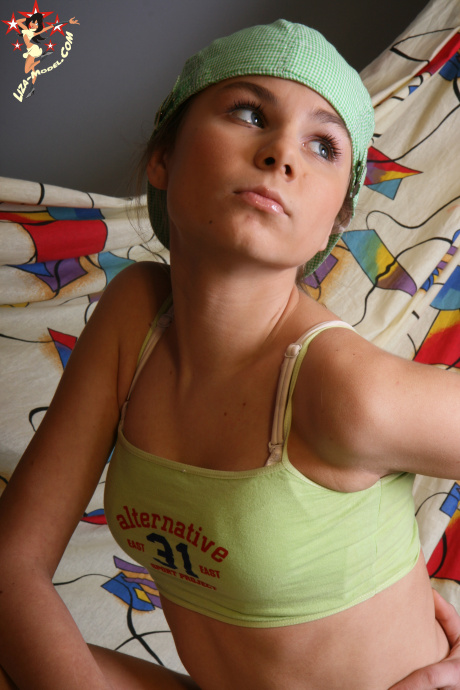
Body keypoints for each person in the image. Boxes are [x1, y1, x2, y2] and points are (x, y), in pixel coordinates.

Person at [0, 19, 459, 689]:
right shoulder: (136, 316)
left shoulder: (344, 389)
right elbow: (14, 564)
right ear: (163, 156)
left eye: (323, 146)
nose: (282, 154)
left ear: (335, 221)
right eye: (249, 113)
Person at [17, 13, 79, 86]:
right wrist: (29, 19)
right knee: (32, 69)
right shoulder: (26, 29)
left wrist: (68, 22)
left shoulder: (34, 32)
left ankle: (41, 59)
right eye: (33, 22)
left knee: (26, 70)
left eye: (36, 24)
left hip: (32, 49)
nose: (33, 25)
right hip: (30, 50)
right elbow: (18, 21)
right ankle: (32, 86)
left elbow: (52, 26)